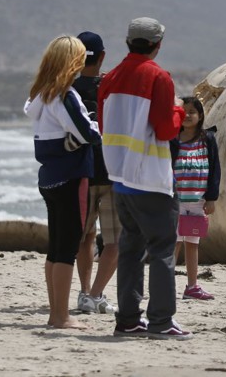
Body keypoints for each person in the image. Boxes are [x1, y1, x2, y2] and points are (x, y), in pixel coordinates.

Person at [98, 17, 192, 340]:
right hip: (151, 177)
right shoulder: (159, 77)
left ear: (128, 42)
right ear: (157, 45)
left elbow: (102, 124)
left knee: (131, 249)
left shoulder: (109, 78)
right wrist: (179, 111)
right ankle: (162, 320)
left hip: (120, 177)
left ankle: (127, 320)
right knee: (163, 249)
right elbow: (166, 129)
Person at [26, 35, 102, 329]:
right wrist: (97, 126)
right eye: (81, 57)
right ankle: (60, 316)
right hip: (71, 177)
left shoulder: (40, 95)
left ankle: (55, 313)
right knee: (67, 247)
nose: (84, 61)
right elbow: (88, 134)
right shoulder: (66, 95)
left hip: (49, 178)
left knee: (57, 246)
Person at [72, 31, 119, 315]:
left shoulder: (66, 88)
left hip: (82, 174)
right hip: (113, 173)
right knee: (115, 240)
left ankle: (83, 292)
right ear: (102, 56)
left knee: (84, 237)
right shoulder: (112, 87)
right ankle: (97, 293)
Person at [170, 96, 220, 301]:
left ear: (200, 116)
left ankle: (192, 286)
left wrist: (211, 198)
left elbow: (215, 169)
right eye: (185, 111)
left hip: (198, 199)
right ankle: (166, 284)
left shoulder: (207, 139)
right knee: (174, 242)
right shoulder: (173, 138)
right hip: (176, 199)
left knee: (192, 242)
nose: (188, 115)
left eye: (193, 112)